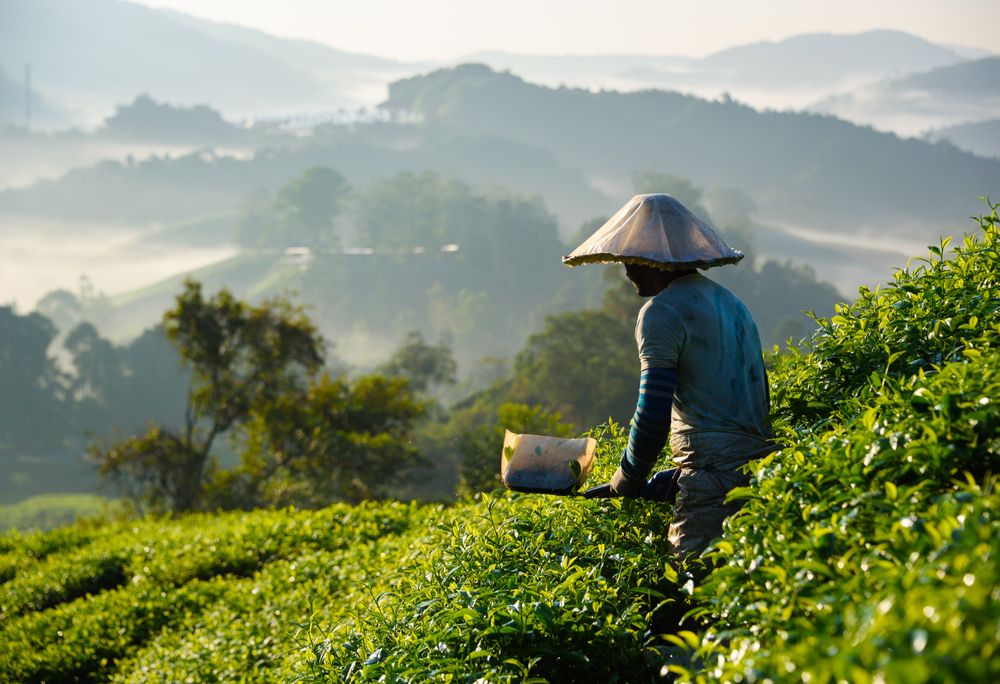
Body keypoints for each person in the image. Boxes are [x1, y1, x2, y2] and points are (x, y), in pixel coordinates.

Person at [565, 193, 775, 557]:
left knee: (694, 577)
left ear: (659, 261)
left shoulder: (661, 312)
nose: (628, 271)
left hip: (713, 477)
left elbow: (653, 411)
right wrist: (675, 476)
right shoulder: (732, 303)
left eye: (635, 259)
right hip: (762, 470)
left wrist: (628, 477)